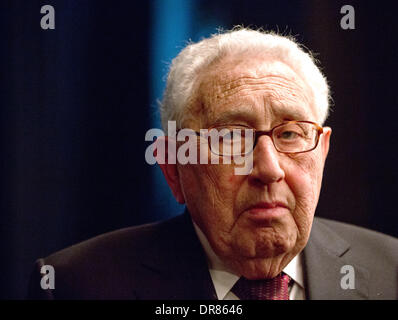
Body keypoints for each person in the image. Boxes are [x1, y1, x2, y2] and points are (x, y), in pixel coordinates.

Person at [27, 27, 398, 300]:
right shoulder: (75, 285)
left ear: (322, 151)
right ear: (173, 167)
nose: (269, 169)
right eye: (232, 137)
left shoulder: (391, 271)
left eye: (290, 134)